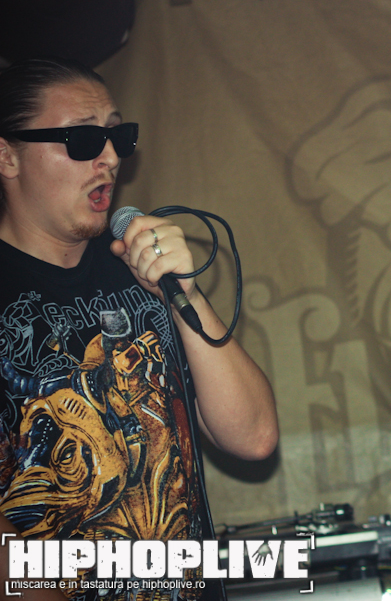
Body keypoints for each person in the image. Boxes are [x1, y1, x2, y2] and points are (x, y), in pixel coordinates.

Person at [0, 58, 279, 598]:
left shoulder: (138, 269)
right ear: (7, 156)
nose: (109, 157)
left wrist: (184, 292)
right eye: (83, 138)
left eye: (118, 135)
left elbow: (255, 437)